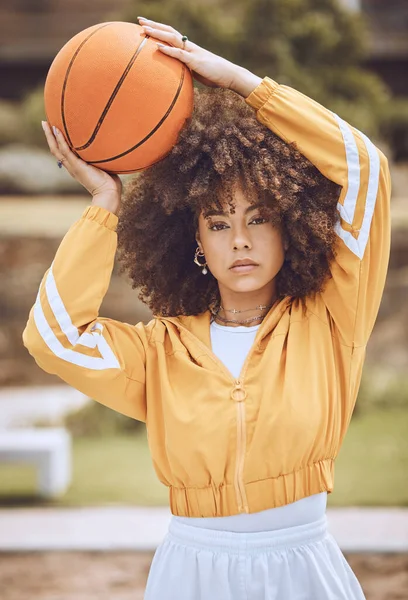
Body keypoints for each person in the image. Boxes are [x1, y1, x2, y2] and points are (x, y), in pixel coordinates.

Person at [23, 17, 391, 600]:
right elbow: (53, 337)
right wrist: (104, 205)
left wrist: (243, 83)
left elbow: (366, 170)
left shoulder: (331, 318)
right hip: (192, 573)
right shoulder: (161, 352)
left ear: (289, 225)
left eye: (257, 217)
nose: (239, 240)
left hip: (301, 567)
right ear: (195, 241)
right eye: (218, 224)